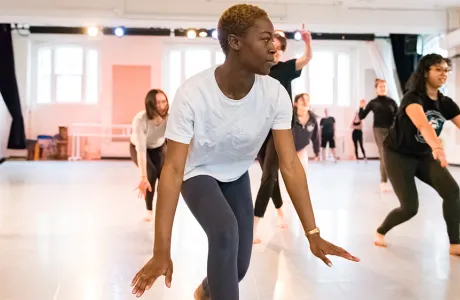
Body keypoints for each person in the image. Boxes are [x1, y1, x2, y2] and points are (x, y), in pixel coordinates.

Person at [130, 4, 360, 300]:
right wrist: (161, 251)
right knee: (225, 231)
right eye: (265, 39)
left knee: (238, 267)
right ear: (236, 43)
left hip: (237, 174)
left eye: (274, 39)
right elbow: (173, 170)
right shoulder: (193, 93)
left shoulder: (275, 93)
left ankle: (205, 292)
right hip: (196, 172)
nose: (274, 47)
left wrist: (312, 233)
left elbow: (289, 164)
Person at [373, 53, 460, 256]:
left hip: (423, 155)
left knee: (453, 192)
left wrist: (433, 149)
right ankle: (381, 231)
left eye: (446, 70)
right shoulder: (412, 98)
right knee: (410, 208)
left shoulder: (445, 103)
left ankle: (455, 243)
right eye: (438, 69)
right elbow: (422, 124)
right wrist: (437, 147)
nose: (444, 73)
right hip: (398, 155)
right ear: (425, 71)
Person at [253, 25, 312, 243]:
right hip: (260, 129)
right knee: (270, 177)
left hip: (281, 129)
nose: (275, 51)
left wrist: (307, 41)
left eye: (279, 48)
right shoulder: (259, 69)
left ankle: (254, 224)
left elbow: (307, 58)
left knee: (268, 176)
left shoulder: (286, 68)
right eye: (272, 47)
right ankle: (279, 210)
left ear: (282, 50)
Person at [129, 89, 169, 221]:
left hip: (158, 147)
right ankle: (149, 210)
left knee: (163, 178)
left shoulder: (169, 118)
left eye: (164, 101)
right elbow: (141, 150)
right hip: (139, 148)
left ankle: (162, 211)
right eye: (158, 103)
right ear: (151, 104)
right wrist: (143, 177)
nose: (162, 105)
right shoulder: (141, 119)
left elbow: (173, 140)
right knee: (150, 174)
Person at [359, 79, 398, 191]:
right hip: (379, 130)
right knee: (384, 154)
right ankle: (383, 181)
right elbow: (362, 116)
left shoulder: (392, 102)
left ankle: (395, 180)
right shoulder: (373, 102)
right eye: (380, 86)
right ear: (376, 89)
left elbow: (398, 116)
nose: (382, 88)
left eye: (384, 86)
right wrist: (361, 107)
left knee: (392, 156)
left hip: (391, 130)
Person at [291, 93, 320, 170]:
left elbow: (316, 137)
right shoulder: (289, 117)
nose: (305, 101)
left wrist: (317, 152)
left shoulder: (312, 120)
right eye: (301, 99)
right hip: (286, 150)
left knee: (302, 173)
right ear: (295, 103)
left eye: (307, 99)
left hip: (300, 149)